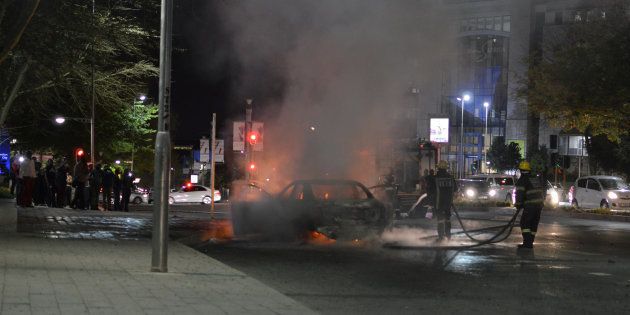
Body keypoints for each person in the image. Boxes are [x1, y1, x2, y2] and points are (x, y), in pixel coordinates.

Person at [514, 161, 546, 249]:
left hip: (530, 206)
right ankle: (530, 243)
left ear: (520, 170)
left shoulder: (522, 180)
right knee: (533, 224)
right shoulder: (535, 178)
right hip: (539, 205)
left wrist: (518, 204)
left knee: (525, 224)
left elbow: (519, 194)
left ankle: (527, 243)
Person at [430, 161, 456, 240]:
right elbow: (455, 189)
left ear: (438, 168)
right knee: (447, 219)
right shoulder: (450, 177)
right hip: (448, 202)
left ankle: (441, 237)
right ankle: (448, 236)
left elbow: (431, 190)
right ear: (446, 168)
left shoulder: (435, 178)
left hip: (438, 203)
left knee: (440, 220)